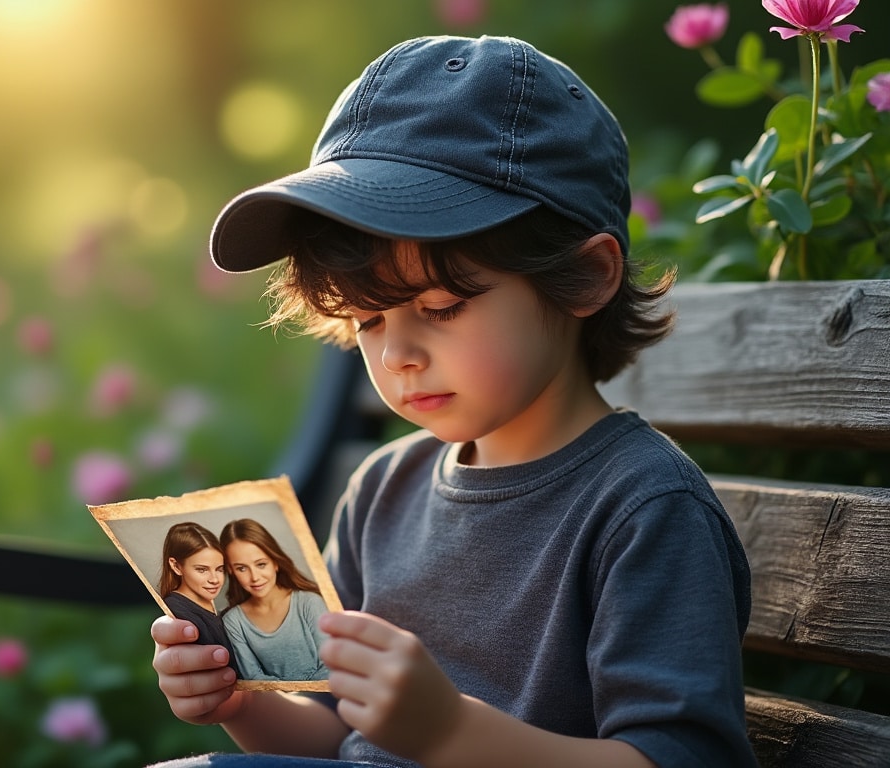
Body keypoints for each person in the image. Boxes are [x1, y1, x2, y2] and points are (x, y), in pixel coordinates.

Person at [149, 34, 754, 768]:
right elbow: (347, 737)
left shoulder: (643, 508)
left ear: (586, 278)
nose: (397, 354)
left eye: (440, 307)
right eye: (367, 319)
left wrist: (449, 735)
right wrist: (244, 703)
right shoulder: (383, 491)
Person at [219, 518, 330, 681]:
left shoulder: (310, 603)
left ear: (275, 562)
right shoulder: (233, 621)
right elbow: (254, 678)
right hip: (275, 705)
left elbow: (331, 665)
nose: (255, 577)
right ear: (230, 570)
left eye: (261, 564)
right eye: (242, 568)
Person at [159, 521, 238, 671]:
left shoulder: (214, 606)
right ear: (176, 566)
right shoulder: (178, 611)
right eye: (202, 570)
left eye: (220, 569)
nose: (214, 579)